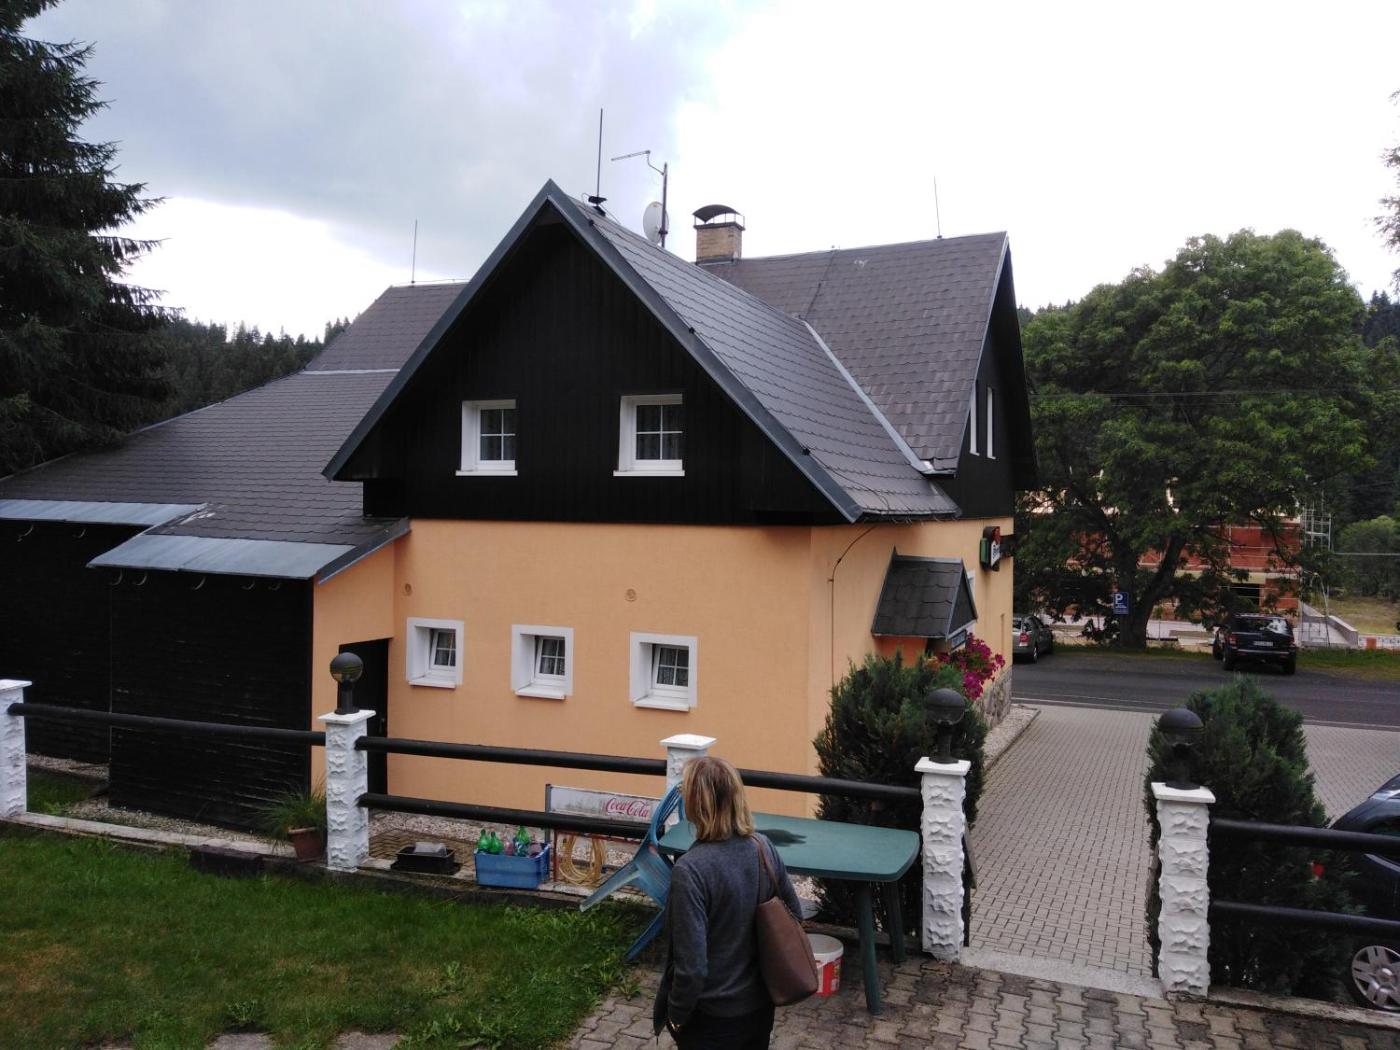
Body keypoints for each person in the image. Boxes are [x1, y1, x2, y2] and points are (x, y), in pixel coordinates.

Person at [653, 755, 803, 1048]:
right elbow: (794, 916)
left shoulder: (690, 870)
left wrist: (676, 1016)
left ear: (695, 804)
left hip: (711, 1019)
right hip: (760, 1008)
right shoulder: (763, 848)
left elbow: (692, 967)